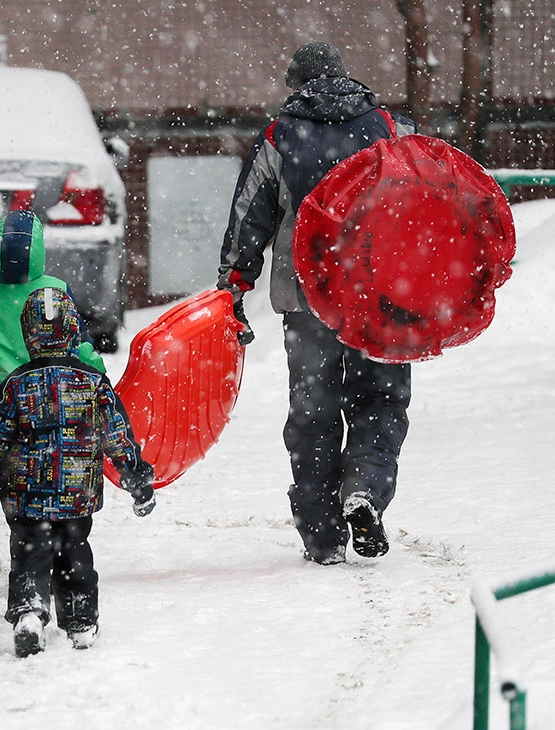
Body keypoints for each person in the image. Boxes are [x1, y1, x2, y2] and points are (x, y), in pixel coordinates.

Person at [218, 42, 418, 565]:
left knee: (314, 410)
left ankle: (323, 535)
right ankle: (366, 493)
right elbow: (428, 197)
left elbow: (249, 217)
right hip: (380, 298)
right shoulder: (391, 129)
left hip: (309, 299)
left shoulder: (279, 136)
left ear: (297, 84)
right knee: (381, 400)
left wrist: (233, 285)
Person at [0, 286, 155, 657]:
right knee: (75, 553)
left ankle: (29, 612)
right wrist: (137, 478)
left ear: (28, 334)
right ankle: (80, 622)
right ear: (73, 330)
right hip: (77, 494)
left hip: (26, 494)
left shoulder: (16, 384)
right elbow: (118, 438)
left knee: (30, 553)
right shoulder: (93, 384)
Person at [0, 209, 106, 438]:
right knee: (47, 466)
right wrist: (101, 383)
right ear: (38, 250)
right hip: (52, 406)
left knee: (3, 467)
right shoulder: (56, 291)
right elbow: (79, 347)